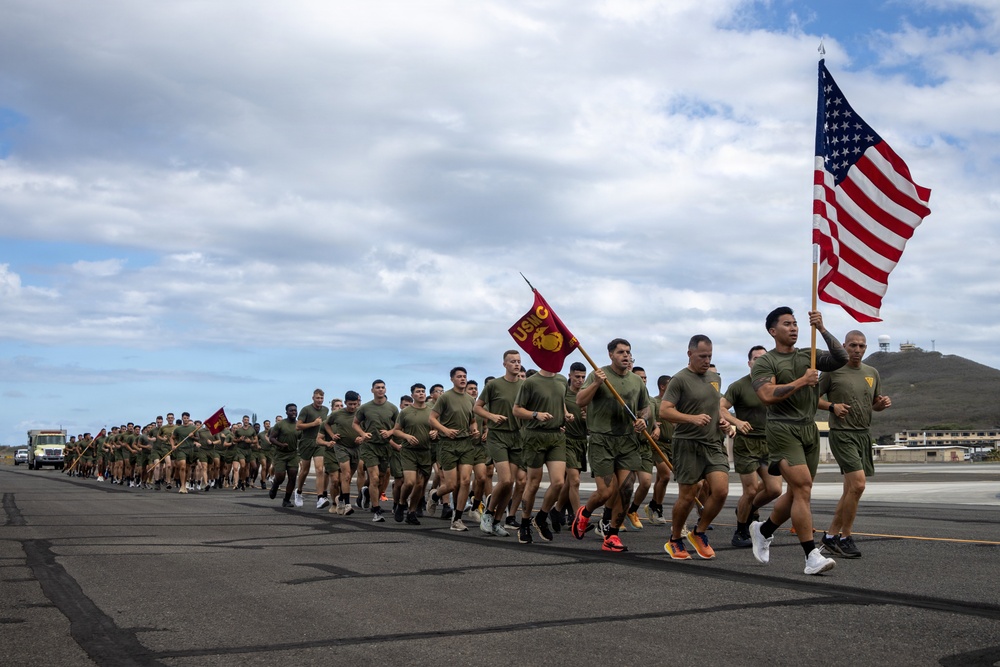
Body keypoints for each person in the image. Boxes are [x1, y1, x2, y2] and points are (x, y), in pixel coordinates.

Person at [749, 307, 847, 575]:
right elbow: (767, 395)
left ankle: (764, 530)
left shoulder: (809, 354)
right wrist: (802, 381)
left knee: (796, 492)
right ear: (773, 331)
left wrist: (823, 329)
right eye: (786, 324)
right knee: (803, 487)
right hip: (782, 428)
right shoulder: (766, 362)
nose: (793, 328)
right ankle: (810, 556)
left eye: (795, 324)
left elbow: (841, 357)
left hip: (808, 429)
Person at [571, 338, 649, 553]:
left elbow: (645, 408)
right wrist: (596, 383)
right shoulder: (598, 374)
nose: (626, 356)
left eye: (628, 352)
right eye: (621, 352)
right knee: (606, 492)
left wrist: (644, 420)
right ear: (611, 355)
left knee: (625, 490)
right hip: (601, 439)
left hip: (627, 441)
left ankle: (612, 535)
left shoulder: (636, 381)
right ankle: (585, 512)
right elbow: (580, 401)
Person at [660, 335, 735, 560]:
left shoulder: (714, 379)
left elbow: (716, 408)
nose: (706, 360)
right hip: (687, 444)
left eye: (710, 356)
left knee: (721, 490)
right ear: (690, 354)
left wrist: (724, 422)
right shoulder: (679, 380)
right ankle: (674, 539)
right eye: (702, 356)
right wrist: (691, 418)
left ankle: (699, 532)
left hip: (712, 442)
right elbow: (664, 411)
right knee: (688, 496)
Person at [819, 330, 891, 559]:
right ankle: (846, 535)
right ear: (844, 346)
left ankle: (831, 537)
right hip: (842, 433)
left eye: (861, 346)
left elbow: (874, 405)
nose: (857, 350)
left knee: (851, 489)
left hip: (863, 434)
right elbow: (811, 398)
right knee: (858, 485)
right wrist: (832, 407)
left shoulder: (872, 373)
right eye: (852, 345)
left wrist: (882, 404)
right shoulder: (833, 370)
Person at [722, 345, 782, 547]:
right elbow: (720, 408)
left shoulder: (774, 385)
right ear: (750, 363)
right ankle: (740, 532)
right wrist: (735, 422)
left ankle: (745, 509)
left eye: (763, 358)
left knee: (774, 489)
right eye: (756, 358)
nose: (759, 361)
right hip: (746, 444)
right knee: (749, 490)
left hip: (769, 443)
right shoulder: (739, 386)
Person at [512, 366, 571, 543]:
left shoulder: (561, 380)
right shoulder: (530, 382)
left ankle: (541, 517)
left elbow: (561, 401)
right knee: (534, 482)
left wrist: (566, 414)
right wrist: (535, 414)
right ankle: (524, 522)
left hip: (556, 436)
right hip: (534, 436)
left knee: (559, 482)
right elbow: (517, 409)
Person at [475, 350, 524, 537]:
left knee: (510, 485)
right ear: (504, 364)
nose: (516, 364)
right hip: (498, 436)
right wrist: (492, 416)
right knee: (506, 479)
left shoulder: (525, 385)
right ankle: (488, 513)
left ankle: (497, 521)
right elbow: (477, 407)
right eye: (512, 361)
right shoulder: (494, 385)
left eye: (518, 361)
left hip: (517, 437)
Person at [428, 367, 480, 531]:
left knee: (465, 481)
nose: (463, 379)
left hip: (466, 443)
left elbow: (472, 420)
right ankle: (435, 495)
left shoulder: (470, 400)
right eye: (459, 377)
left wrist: (474, 429)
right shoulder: (445, 398)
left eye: (464, 376)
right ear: (452, 379)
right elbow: (432, 419)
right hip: (448, 444)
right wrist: (444, 430)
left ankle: (456, 519)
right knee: (451, 485)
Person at [353, 380, 400, 522]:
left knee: (381, 478)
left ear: (385, 390)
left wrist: (390, 432)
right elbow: (354, 424)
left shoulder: (392, 408)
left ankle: (367, 493)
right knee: (373, 478)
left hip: (385, 446)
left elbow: (398, 427)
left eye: (382, 387)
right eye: (377, 388)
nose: (380, 390)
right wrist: (362, 433)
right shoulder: (365, 408)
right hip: (370, 446)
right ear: (372, 390)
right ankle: (376, 510)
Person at [392, 383, 437, 524]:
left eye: (423, 391)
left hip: (425, 451)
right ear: (412, 395)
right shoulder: (406, 412)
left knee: (420, 484)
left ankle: (412, 512)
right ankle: (401, 502)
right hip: (409, 451)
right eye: (418, 392)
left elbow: (437, 426)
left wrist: (435, 432)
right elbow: (396, 430)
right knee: (410, 482)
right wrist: (406, 437)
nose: (421, 393)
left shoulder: (432, 410)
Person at [554, 361, 588, 529]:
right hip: (566, 440)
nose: (580, 380)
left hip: (582, 441)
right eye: (577, 377)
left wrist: (587, 417)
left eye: (583, 377)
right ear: (570, 376)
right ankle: (578, 517)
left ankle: (557, 508)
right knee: (574, 480)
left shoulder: (587, 396)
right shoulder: (563, 394)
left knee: (570, 481)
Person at [325, 391, 365, 514]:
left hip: (356, 448)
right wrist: (332, 435)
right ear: (345, 402)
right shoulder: (337, 414)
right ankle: (347, 504)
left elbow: (367, 428)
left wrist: (362, 437)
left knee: (348, 477)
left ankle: (340, 498)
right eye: (350, 404)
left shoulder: (361, 413)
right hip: (341, 447)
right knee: (346, 475)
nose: (353, 407)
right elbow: (326, 424)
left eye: (355, 404)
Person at [295, 389, 329, 508]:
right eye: (317, 398)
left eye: (321, 398)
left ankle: (320, 497)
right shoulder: (306, 409)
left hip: (319, 442)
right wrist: (313, 424)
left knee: (320, 469)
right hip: (306, 442)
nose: (320, 400)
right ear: (313, 398)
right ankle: (298, 491)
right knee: (305, 470)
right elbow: (298, 426)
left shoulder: (325, 410)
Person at [268, 404, 300, 507]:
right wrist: (281, 444)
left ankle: (286, 500)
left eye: (295, 410)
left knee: (293, 476)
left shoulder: (299, 425)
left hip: (293, 454)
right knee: (281, 477)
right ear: (286, 412)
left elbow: (302, 437)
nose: (294, 412)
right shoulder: (280, 424)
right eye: (291, 411)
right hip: (281, 454)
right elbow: (271, 438)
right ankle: (275, 485)